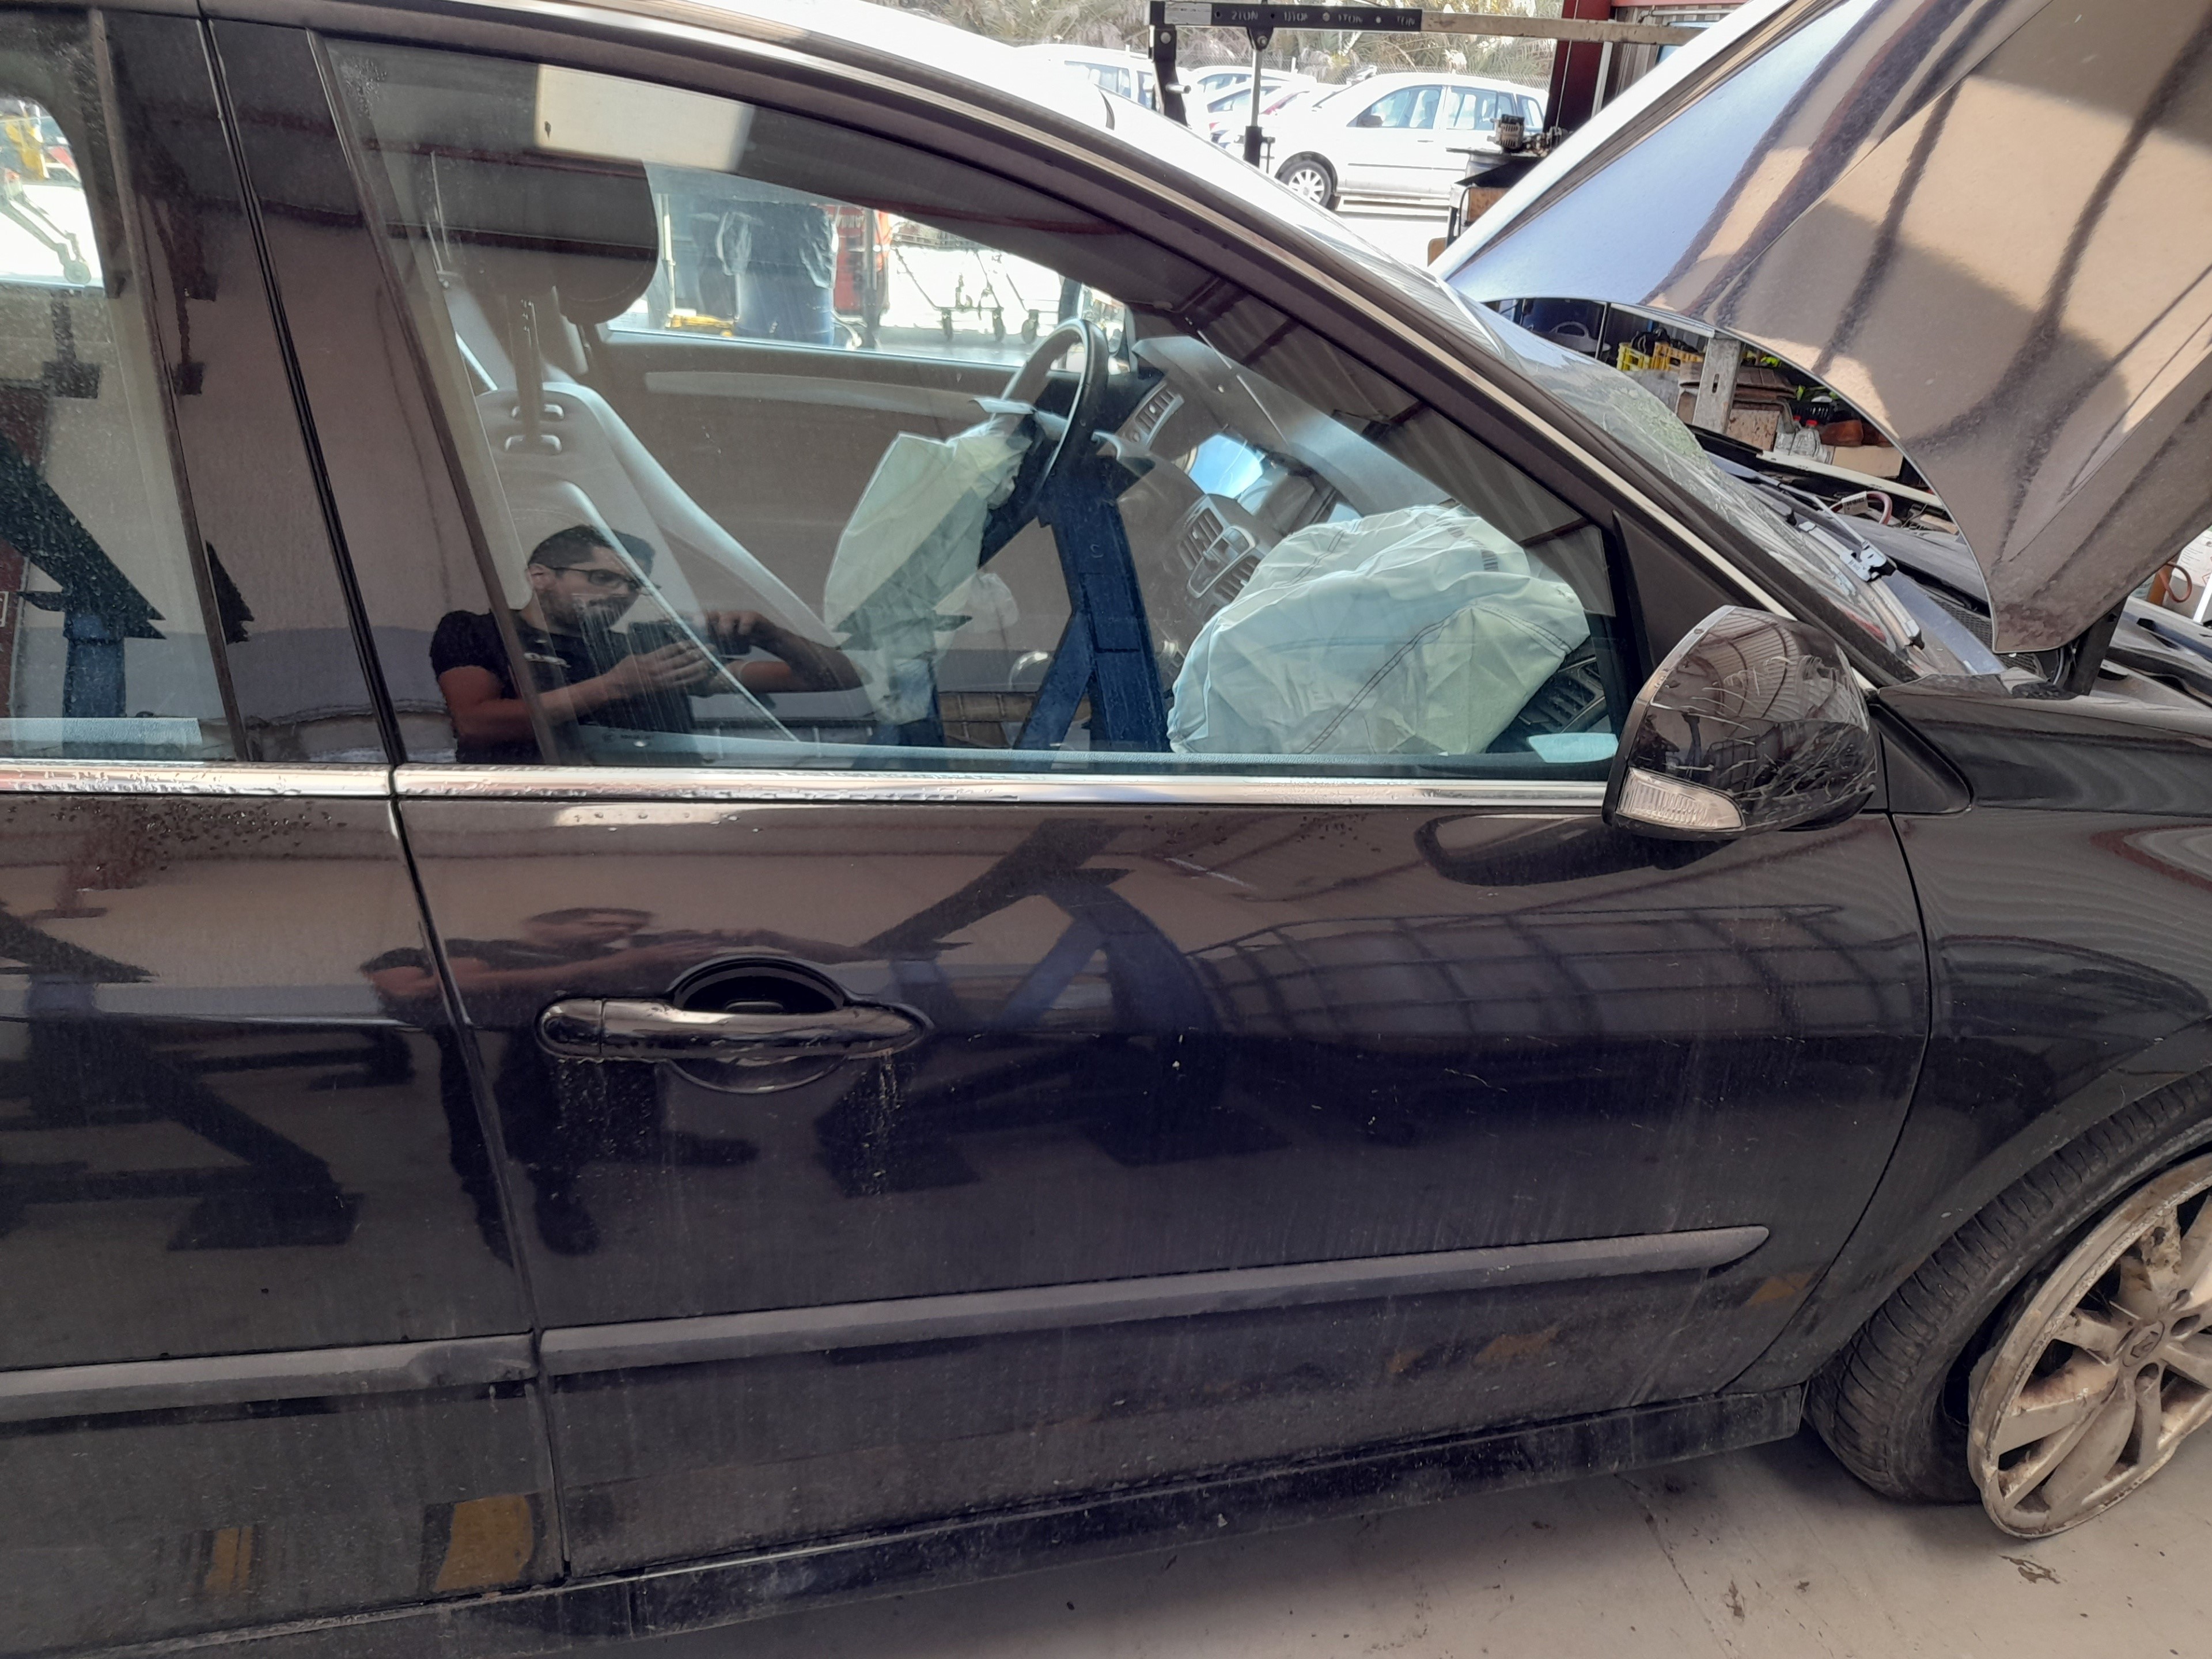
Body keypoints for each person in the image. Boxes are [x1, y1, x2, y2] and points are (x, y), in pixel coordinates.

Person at [430, 524, 857, 762]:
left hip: (667, 816)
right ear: (541, 577)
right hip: (536, 817)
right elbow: (474, 723)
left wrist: (772, 635)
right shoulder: (478, 631)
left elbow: (838, 679)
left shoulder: (647, 648)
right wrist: (615, 686)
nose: (622, 594)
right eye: (603, 578)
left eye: (636, 585)